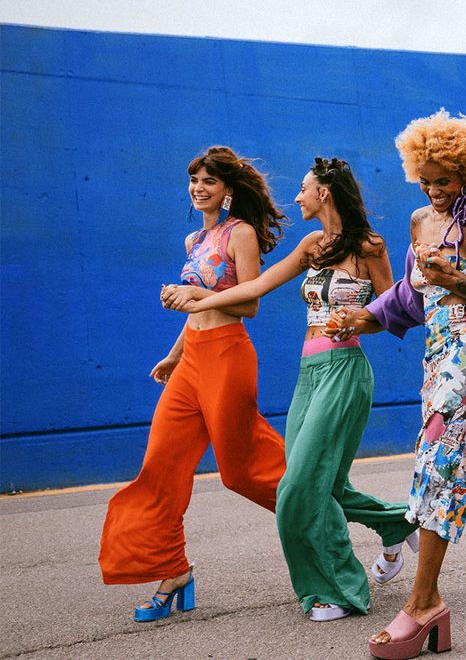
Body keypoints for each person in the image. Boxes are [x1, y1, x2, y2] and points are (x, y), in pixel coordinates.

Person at [163, 156, 417, 621]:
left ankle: (339, 590)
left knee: (301, 485)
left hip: (344, 370)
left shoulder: (369, 246)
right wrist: (200, 298)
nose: (297, 197)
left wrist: (359, 320)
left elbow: (393, 309)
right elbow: (258, 286)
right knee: (311, 482)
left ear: (324, 192)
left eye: (303, 188)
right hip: (309, 373)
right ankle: (397, 521)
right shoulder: (312, 245)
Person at [331, 110, 466, 659]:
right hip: (438, 348)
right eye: (425, 180)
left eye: (443, 180)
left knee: (438, 458)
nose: (434, 189)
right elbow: (409, 296)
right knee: (449, 463)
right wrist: (363, 318)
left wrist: (457, 278)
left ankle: (424, 603)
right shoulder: (419, 221)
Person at [99, 146, 288, 622]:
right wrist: (174, 354)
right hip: (192, 359)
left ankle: (327, 512)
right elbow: (194, 311)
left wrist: (196, 293)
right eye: (194, 181)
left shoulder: (240, 233)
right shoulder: (194, 240)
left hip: (227, 354)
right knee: (160, 465)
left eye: (209, 181)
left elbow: (249, 305)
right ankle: (173, 571)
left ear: (227, 190)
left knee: (242, 471)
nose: (199, 188)